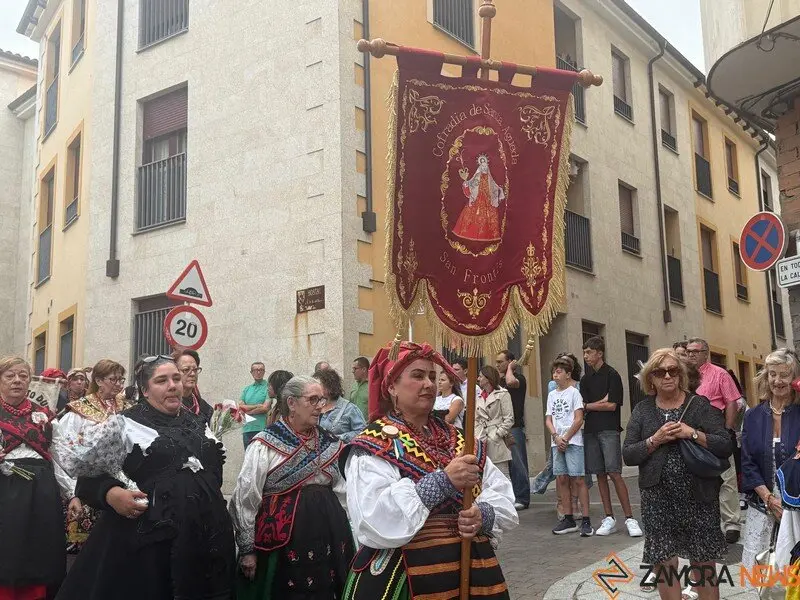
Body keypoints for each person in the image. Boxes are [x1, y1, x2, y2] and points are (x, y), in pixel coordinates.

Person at [341, 342, 518, 599]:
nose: (429, 384)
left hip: (473, 572)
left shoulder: (461, 439)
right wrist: (443, 481)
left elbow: (499, 490)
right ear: (391, 387)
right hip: (406, 574)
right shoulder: (374, 443)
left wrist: (482, 515)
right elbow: (372, 518)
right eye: (418, 376)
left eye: (433, 377)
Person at [54, 355, 235, 600]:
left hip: (204, 541)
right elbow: (88, 477)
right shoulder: (124, 425)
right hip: (147, 543)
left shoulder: (199, 423)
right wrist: (112, 494)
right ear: (145, 390)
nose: (172, 385)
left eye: (176, 379)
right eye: (161, 380)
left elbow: (213, 472)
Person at [230, 375, 355, 599]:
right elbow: (246, 498)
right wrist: (247, 549)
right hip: (283, 542)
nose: (320, 407)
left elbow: (344, 493)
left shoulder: (330, 442)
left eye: (322, 400)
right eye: (313, 400)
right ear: (291, 403)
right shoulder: (265, 444)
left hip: (330, 535)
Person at [623, 348, 732, 600]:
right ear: (651, 378)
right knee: (665, 562)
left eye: (673, 371)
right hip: (657, 498)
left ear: (681, 375)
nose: (667, 376)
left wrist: (691, 433)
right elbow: (628, 454)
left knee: (703, 561)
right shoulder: (642, 410)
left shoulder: (699, 405)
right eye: (660, 372)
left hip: (699, 497)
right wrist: (655, 439)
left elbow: (725, 444)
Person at [0, 356, 71, 600]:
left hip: (42, 491)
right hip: (5, 490)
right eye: (10, 376)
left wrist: (72, 493)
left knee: (40, 548)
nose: (17, 380)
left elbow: (59, 457)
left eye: (23, 376)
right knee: (8, 548)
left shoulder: (45, 416)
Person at [60, 359, 131, 553]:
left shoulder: (128, 407)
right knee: (91, 549)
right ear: (99, 381)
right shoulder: (80, 410)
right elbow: (66, 451)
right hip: (89, 485)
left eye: (121, 380)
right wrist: (72, 493)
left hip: (122, 483)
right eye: (113, 379)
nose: (118, 384)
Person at [740, 348, 800, 571]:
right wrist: (769, 499)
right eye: (772, 374)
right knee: (759, 571)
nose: (777, 380)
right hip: (762, 502)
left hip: (796, 506)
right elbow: (747, 463)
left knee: (793, 570)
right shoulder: (753, 416)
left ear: (794, 378)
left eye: (784, 375)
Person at [581, 336, 642, 537]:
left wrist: (592, 405)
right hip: (591, 430)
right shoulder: (585, 379)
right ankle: (609, 517)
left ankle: (629, 517)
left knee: (614, 472)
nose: (586, 356)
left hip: (609, 429)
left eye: (589, 352)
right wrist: (599, 403)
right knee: (599, 474)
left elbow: (612, 405)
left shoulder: (612, 375)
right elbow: (583, 405)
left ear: (599, 353)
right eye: (584, 352)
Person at [686, 337, 743, 544]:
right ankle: (701, 522)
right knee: (696, 477)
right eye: (688, 351)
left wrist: (727, 429)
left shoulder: (720, 374)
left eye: (695, 351)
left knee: (726, 477)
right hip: (691, 431)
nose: (691, 354)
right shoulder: (682, 375)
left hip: (717, 428)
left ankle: (731, 523)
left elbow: (732, 402)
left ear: (705, 353)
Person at [547, 355, 592, 536]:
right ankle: (568, 518)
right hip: (557, 442)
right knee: (562, 479)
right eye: (554, 372)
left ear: (568, 374)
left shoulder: (574, 393)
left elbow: (578, 419)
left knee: (578, 479)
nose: (555, 375)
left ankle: (586, 520)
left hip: (573, 442)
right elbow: (549, 419)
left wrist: (565, 438)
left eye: (559, 372)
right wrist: (556, 436)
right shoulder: (551, 394)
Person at [496, 350, 531, 510]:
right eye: (496, 362)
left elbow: (511, 382)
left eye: (500, 362)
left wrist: (510, 368)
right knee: (506, 465)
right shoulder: (498, 382)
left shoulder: (519, 379)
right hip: (500, 427)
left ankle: (522, 498)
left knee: (518, 464)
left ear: (510, 361)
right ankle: (509, 496)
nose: (497, 365)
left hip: (515, 426)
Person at [452, 154, 505, 241]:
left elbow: (494, 186)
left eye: (485, 166)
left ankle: (487, 235)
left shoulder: (490, 178)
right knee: (472, 214)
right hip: (477, 198)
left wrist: (499, 189)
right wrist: (466, 183)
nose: (484, 167)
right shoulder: (477, 176)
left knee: (489, 217)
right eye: (482, 166)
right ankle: (470, 232)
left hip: (488, 199)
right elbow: (471, 184)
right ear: (480, 167)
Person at [475, 365, 515, 476]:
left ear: (488, 378)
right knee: (484, 477)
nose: (478, 379)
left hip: (497, 441)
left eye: (480, 376)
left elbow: (509, 419)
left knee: (502, 476)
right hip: (481, 441)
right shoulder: (479, 396)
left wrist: (497, 435)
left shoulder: (503, 394)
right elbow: (476, 419)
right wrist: (477, 436)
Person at [315, 368, 367, 443]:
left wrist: (339, 438)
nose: (316, 388)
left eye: (319, 385)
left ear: (329, 386)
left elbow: (362, 432)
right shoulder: (316, 405)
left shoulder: (350, 409)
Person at [173, 349, 213, 425]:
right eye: (186, 369)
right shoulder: (167, 405)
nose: (192, 374)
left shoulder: (205, 409)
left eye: (195, 369)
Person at [239, 362, 270, 447]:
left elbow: (265, 408)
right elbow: (240, 407)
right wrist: (257, 406)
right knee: (248, 455)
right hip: (247, 429)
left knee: (262, 455)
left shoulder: (268, 387)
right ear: (251, 372)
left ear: (264, 372)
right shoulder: (247, 389)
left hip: (262, 428)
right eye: (256, 370)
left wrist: (247, 411)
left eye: (261, 370)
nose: (258, 372)